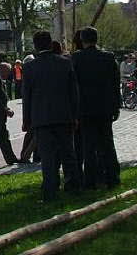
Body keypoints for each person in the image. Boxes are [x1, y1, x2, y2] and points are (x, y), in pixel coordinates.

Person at [22, 30, 80, 200]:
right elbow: (73, 92)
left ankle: (50, 188)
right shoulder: (64, 63)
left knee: (47, 157)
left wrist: (27, 120)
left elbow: (27, 96)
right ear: (50, 43)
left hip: (41, 118)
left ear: (35, 45)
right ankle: (73, 185)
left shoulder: (29, 67)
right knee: (68, 153)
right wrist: (75, 115)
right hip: (64, 116)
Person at [71, 26, 121, 189]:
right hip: (105, 107)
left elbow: (73, 86)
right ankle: (112, 177)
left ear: (82, 40)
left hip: (85, 108)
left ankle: (90, 180)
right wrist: (116, 105)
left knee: (88, 146)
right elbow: (115, 83)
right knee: (107, 144)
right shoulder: (108, 57)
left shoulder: (76, 59)